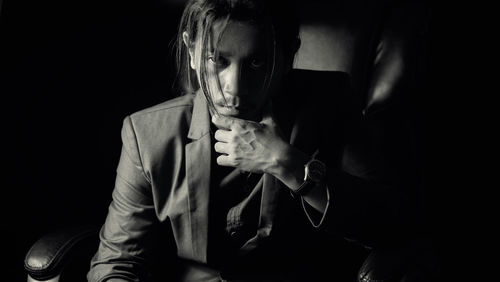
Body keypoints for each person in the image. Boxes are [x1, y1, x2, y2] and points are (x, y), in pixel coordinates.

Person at [88, 0, 414, 281]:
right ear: (191, 51)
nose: (235, 86)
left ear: (288, 57)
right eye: (218, 60)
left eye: (256, 62)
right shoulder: (146, 133)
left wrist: (288, 164)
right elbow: (116, 261)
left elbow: (392, 224)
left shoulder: (331, 104)